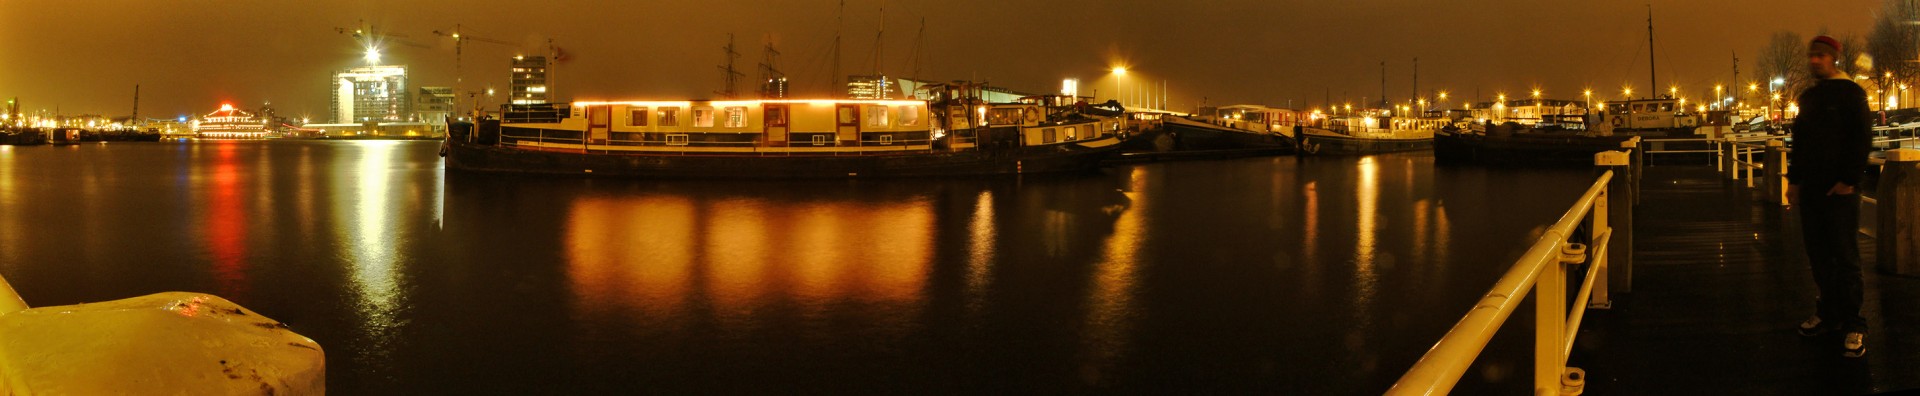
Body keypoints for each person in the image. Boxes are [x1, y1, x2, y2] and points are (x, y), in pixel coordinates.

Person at [1787, 35, 1874, 358]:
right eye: (1812, 55)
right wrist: (1794, 181)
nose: (1815, 61)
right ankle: (1829, 312)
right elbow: (1800, 142)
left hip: (1840, 191)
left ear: (1833, 59)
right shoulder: (1809, 97)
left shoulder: (1852, 94)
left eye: (1821, 56)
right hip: (1811, 190)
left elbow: (1861, 138)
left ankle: (1855, 323)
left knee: (1845, 256)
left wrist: (1849, 180)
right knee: (1819, 255)